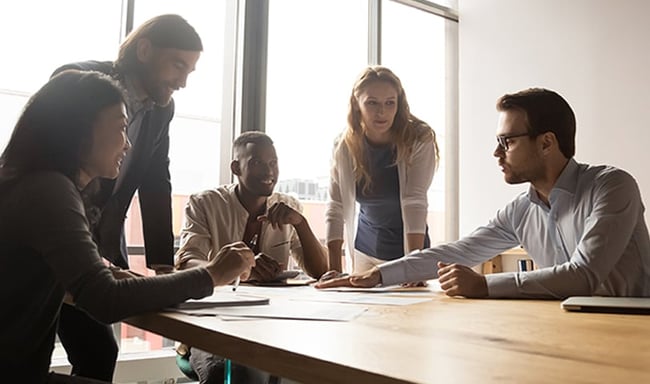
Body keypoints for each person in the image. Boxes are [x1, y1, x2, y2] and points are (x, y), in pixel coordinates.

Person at [0, 70, 254, 383]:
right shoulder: (49, 190)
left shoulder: (25, 182)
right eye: (121, 128)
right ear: (79, 132)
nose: (128, 144)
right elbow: (104, 298)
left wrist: (104, 271)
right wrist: (213, 273)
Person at [318, 87, 650, 299]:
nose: (496, 153)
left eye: (507, 141)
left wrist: (484, 285)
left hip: (634, 335)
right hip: (568, 333)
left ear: (547, 142)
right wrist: (376, 276)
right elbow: (458, 252)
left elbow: (583, 276)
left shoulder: (612, 186)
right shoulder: (521, 210)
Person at [51, 14, 203, 380]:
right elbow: (53, 168)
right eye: (177, 66)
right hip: (54, 234)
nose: (182, 82)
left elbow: (155, 178)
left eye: (190, 71)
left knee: (99, 349)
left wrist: (163, 263)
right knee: (36, 339)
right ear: (145, 50)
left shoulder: (162, 108)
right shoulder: (80, 83)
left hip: (99, 243)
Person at [175, 131, 329, 383]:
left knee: (313, 367)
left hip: (276, 322)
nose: (269, 172)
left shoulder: (288, 206)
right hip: (216, 324)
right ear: (236, 167)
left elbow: (321, 271)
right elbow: (187, 263)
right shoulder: (205, 203)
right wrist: (237, 268)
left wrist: (301, 224)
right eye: (257, 163)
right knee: (233, 374)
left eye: (273, 163)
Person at [324, 66, 439, 277]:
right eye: (372, 103)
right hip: (365, 252)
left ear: (399, 104)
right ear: (356, 104)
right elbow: (336, 207)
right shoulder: (344, 146)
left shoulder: (419, 138)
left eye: (389, 103)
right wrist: (334, 270)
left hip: (408, 250)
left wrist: (413, 264)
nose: (382, 112)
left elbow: (415, 200)